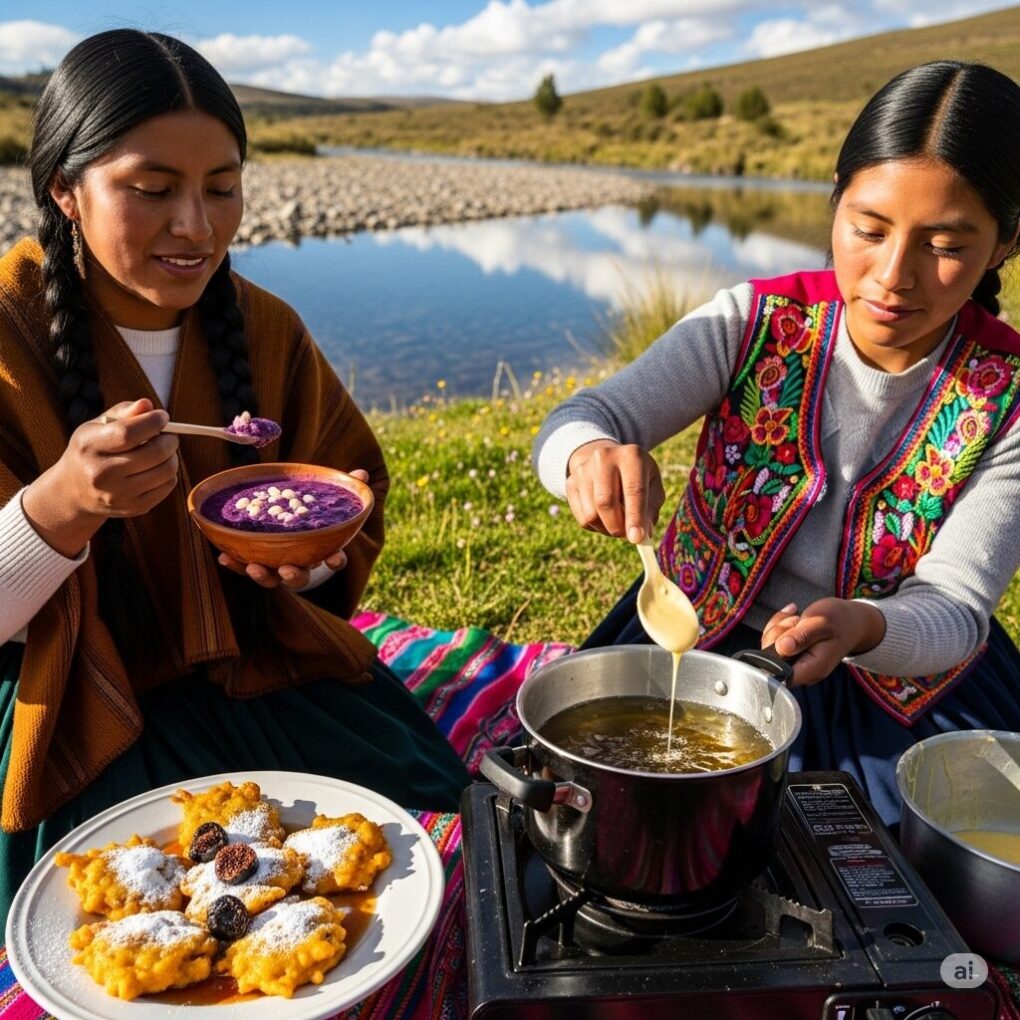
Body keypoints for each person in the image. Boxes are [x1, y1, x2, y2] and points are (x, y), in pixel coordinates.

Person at [0, 29, 470, 928]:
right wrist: (59, 507)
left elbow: (349, 491)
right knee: (139, 922)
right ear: (65, 189)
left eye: (223, 188)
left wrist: (308, 564)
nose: (198, 226)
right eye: (152, 190)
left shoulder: (266, 328)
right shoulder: (7, 337)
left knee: (433, 852)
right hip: (73, 705)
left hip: (260, 662)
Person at [533, 60, 1020, 828]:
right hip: (695, 649)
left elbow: (957, 608)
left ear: (1004, 244)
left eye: (946, 244)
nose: (893, 275)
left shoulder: (1008, 397)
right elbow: (585, 417)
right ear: (835, 199)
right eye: (868, 229)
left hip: (900, 684)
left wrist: (864, 625)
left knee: (892, 864)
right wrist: (585, 457)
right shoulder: (751, 323)